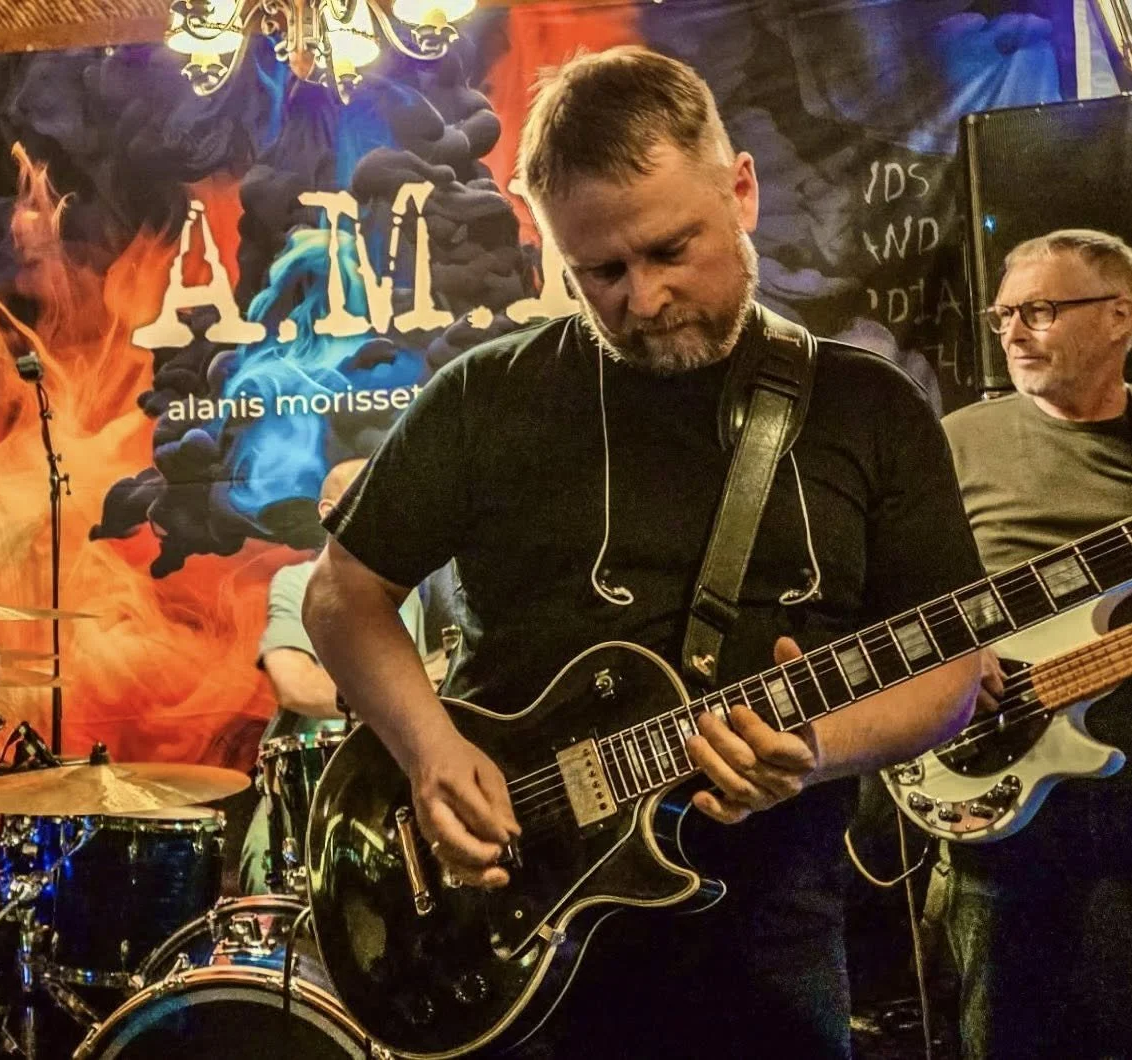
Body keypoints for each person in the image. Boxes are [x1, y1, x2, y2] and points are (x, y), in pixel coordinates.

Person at [301, 46, 982, 1057]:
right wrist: (429, 752)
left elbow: (951, 669)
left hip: (767, 936)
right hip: (510, 934)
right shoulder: (486, 397)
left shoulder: (868, 409)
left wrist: (813, 752)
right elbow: (340, 596)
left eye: (670, 250)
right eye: (601, 272)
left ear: (739, 189)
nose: (644, 297)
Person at [935, 228, 1132, 1058]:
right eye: (1002, 315)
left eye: (1039, 311)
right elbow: (896, 599)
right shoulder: (955, 441)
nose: (1012, 333)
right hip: (999, 785)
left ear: (1119, 316)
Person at [240, 457, 427, 893]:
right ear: (329, 512)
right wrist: (396, 696)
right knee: (277, 893)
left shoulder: (415, 597)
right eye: (372, 494)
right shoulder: (299, 581)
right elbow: (294, 684)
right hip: (308, 796)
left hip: (390, 793)